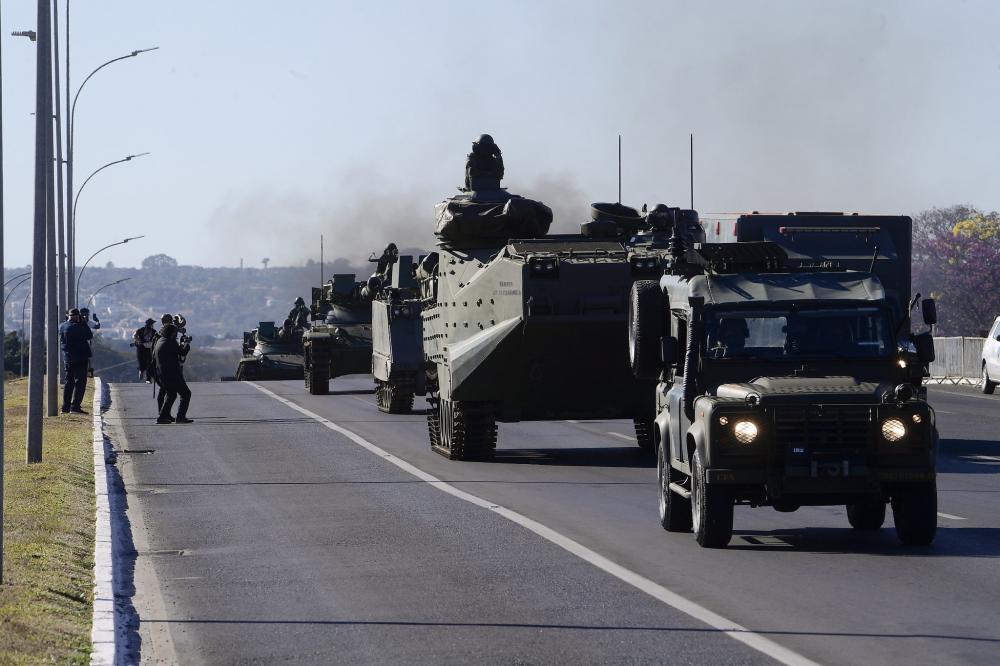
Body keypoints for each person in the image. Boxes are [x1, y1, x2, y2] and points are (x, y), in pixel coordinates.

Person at [153, 323, 193, 424]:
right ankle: (180, 417)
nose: (176, 335)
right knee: (186, 394)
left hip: (162, 374)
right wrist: (187, 343)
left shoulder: (160, 341)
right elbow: (182, 352)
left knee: (171, 394)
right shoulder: (170, 342)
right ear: (171, 333)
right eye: (175, 333)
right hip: (172, 374)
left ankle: (162, 417)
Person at [58, 308, 93, 414]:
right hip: (80, 358)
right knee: (80, 382)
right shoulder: (78, 327)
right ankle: (75, 407)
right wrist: (84, 323)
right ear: (77, 316)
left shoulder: (62, 326)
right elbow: (89, 335)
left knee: (69, 382)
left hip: (68, 358)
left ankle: (65, 407)